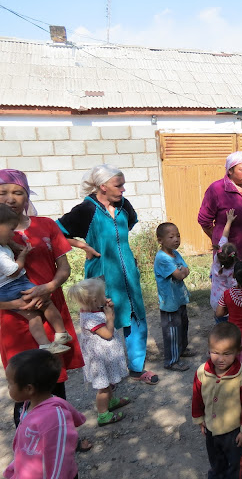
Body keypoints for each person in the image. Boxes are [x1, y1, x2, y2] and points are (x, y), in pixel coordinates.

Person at [0, 169, 85, 436]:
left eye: (18, 192)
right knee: (25, 383)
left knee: (53, 379)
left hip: (50, 313)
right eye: (2, 193)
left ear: (27, 196)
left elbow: (64, 268)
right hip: (14, 322)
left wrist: (47, 288)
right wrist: (14, 305)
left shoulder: (46, 225)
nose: (10, 198)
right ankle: (29, 442)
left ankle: (64, 437)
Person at [57, 164, 157, 385]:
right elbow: (56, 232)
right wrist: (83, 245)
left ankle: (136, 368)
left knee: (135, 316)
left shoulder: (123, 205)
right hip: (100, 277)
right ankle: (107, 376)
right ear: (103, 186)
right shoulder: (86, 210)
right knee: (102, 320)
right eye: (118, 185)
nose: (123, 189)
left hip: (127, 274)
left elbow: (127, 226)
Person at [0, 204, 72, 354]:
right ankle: (61, 333)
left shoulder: (5, 244)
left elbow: (64, 267)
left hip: (6, 293)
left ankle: (45, 345)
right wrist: (22, 257)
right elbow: (13, 271)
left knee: (33, 316)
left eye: (18, 193)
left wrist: (12, 245)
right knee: (46, 303)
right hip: (14, 286)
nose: (13, 234)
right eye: (11, 230)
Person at [4, 349, 86, 479]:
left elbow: (60, 462)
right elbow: (25, 446)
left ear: (29, 389)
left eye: (10, 383)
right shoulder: (28, 406)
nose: (8, 387)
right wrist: (15, 468)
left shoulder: (54, 419)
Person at [192, 322, 242, 479]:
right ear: (209, 349)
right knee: (216, 462)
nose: (220, 359)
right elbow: (197, 396)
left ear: (238, 351)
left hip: (234, 432)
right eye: (215, 352)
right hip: (211, 429)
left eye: (227, 354)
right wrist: (200, 419)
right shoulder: (202, 372)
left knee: (237, 466)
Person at [67, 278, 131, 426]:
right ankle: (103, 415)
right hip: (98, 359)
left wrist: (109, 309)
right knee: (103, 387)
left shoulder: (93, 309)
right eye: (103, 295)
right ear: (95, 300)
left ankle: (111, 401)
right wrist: (110, 317)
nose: (106, 297)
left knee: (108, 383)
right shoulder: (89, 319)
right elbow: (107, 334)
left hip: (104, 356)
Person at [198, 151, 242, 292]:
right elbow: (204, 220)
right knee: (232, 292)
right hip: (232, 253)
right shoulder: (217, 189)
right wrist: (220, 243)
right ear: (230, 170)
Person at [154, 222, 195, 372]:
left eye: (178, 236)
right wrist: (182, 272)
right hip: (169, 303)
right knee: (172, 331)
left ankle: (182, 349)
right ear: (160, 240)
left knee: (183, 325)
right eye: (171, 237)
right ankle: (171, 361)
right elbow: (180, 274)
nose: (176, 239)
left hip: (179, 298)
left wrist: (183, 272)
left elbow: (187, 270)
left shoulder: (175, 254)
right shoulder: (162, 258)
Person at [209, 210, 238, 323]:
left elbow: (224, 235)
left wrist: (229, 221)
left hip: (214, 301)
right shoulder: (231, 272)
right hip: (225, 304)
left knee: (219, 322)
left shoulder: (217, 257)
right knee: (227, 325)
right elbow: (234, 287)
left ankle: (219, 330)